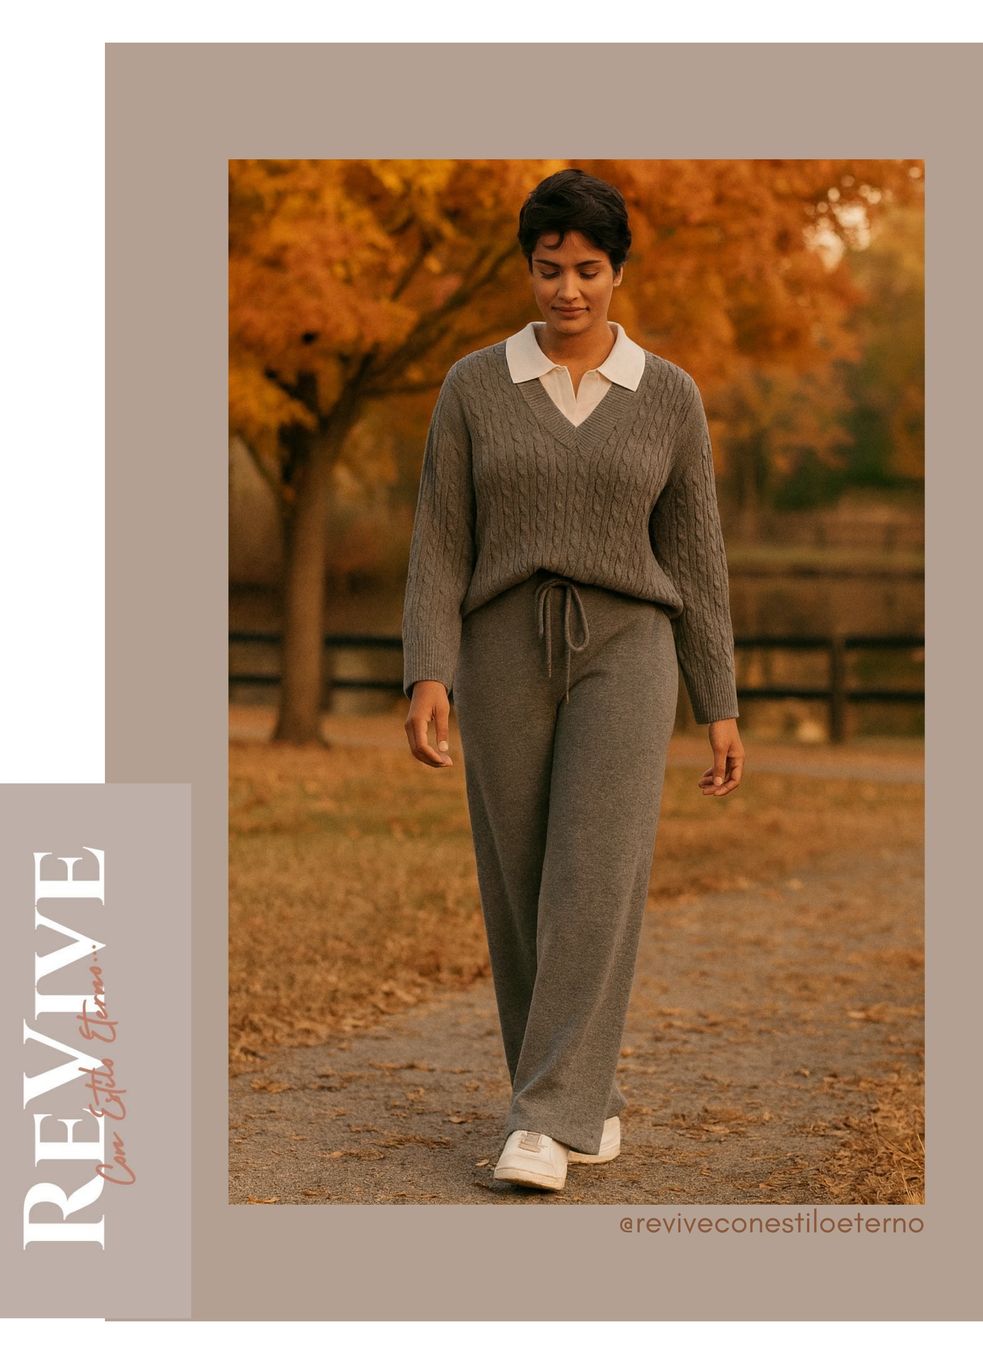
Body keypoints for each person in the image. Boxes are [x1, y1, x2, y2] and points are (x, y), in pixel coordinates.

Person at [401, 168, 745, 1193]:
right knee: (521, 883)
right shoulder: (472, 386)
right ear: (528, 268)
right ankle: (577, 1100)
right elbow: (439, 543)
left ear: (619, 271)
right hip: (503, 642)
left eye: (588, 270)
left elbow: (698, 555)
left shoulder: (669, 395)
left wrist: (718, 698)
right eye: (549, 270)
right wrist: (430, 669)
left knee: (594, 874)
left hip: (627, 650)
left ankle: (542, 1119)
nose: (567, 291)